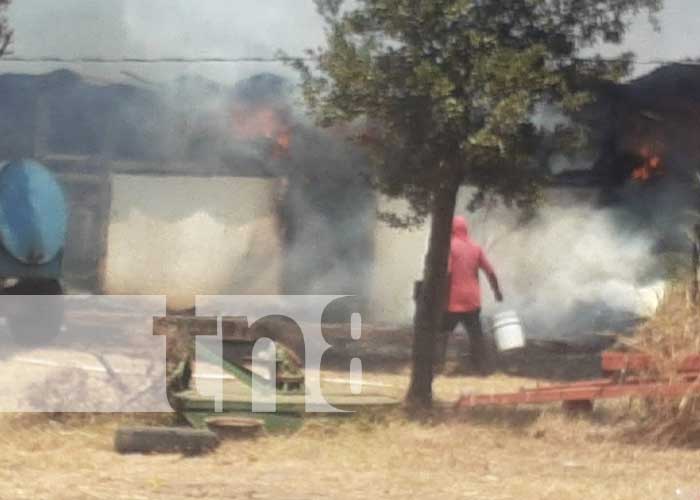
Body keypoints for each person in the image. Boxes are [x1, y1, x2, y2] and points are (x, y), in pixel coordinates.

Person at [435, 216, 503, 375]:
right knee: (476, 336)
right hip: (472, 301)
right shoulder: (475, 248)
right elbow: (490, 272)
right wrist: (496, 291)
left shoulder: (450, 247)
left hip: (452, 301)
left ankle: (437, 366)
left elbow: (447, 272)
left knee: (441, 334)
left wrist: (438, 294)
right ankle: (482, 369)